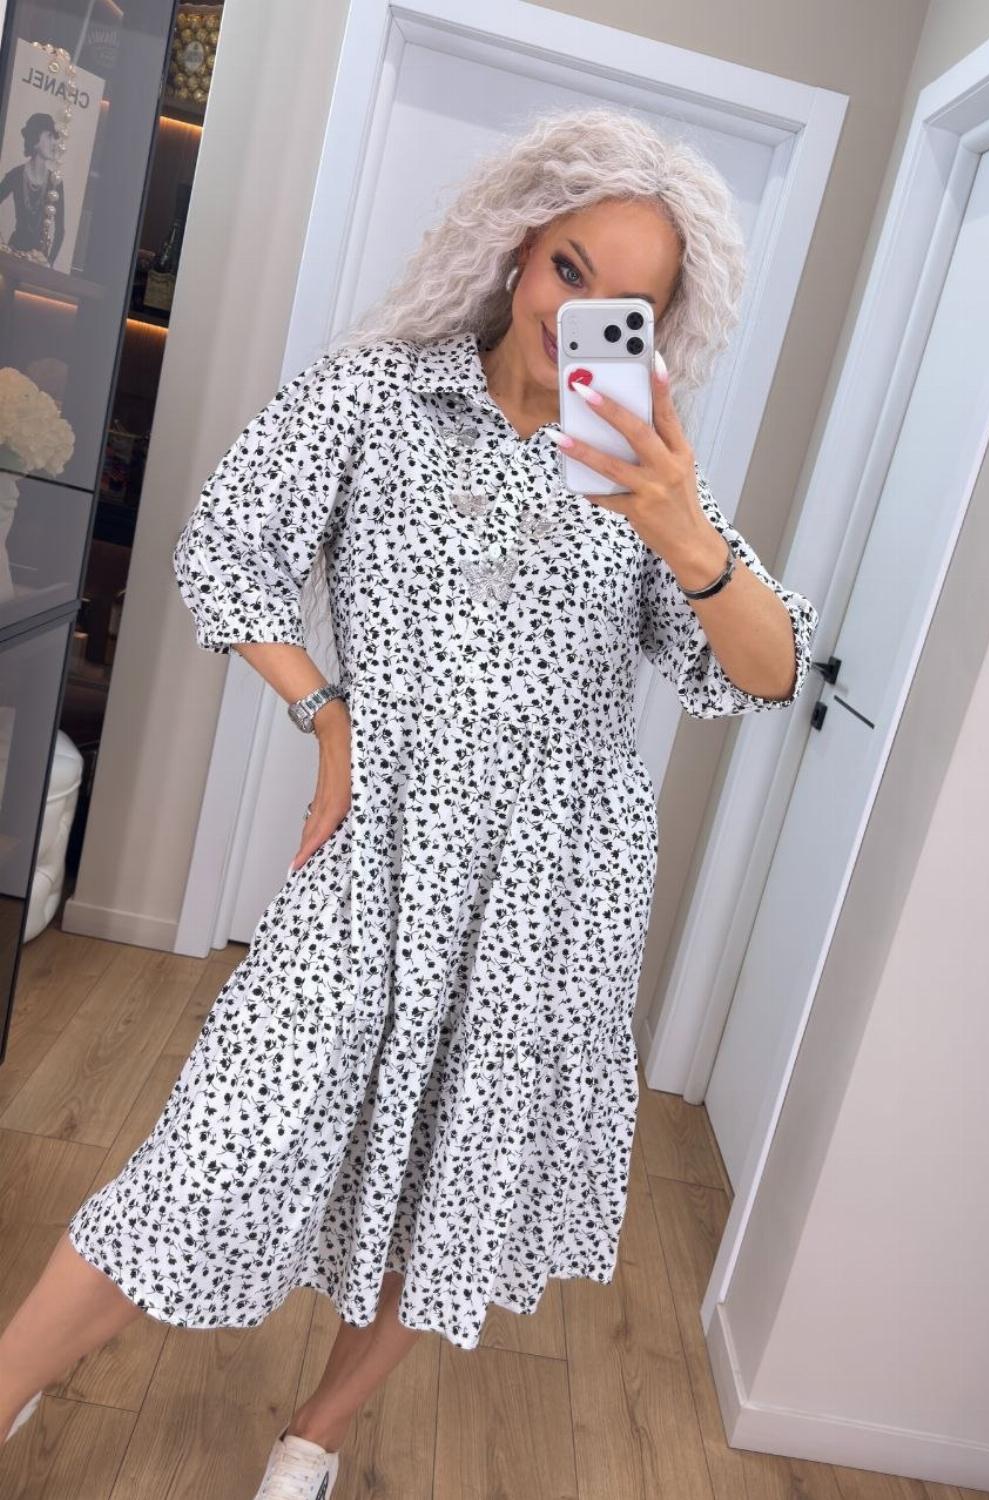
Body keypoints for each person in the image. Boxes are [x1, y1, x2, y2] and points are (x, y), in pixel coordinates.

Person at [0, 106, 819, 1498]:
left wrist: (681, 527)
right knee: (221, 1146)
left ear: (657, 332)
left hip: (554, 890)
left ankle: (315, 1438)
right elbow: (225, 553)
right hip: (378, 855)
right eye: (569, 269)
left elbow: (767, 671)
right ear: (518, 249)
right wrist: (327, 717)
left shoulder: (644, 473)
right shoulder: (374, 396)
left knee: (457, 1179)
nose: (576, 316)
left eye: (624, 305)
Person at [0, 112, 66, 265]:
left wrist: (49, 263)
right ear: (36, 140)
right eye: (49, 136)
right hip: (13, 254)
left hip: (39, 261)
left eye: (54, 137)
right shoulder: (16, 175)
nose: (54, 142)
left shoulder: (55, 182)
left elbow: (60, 230)